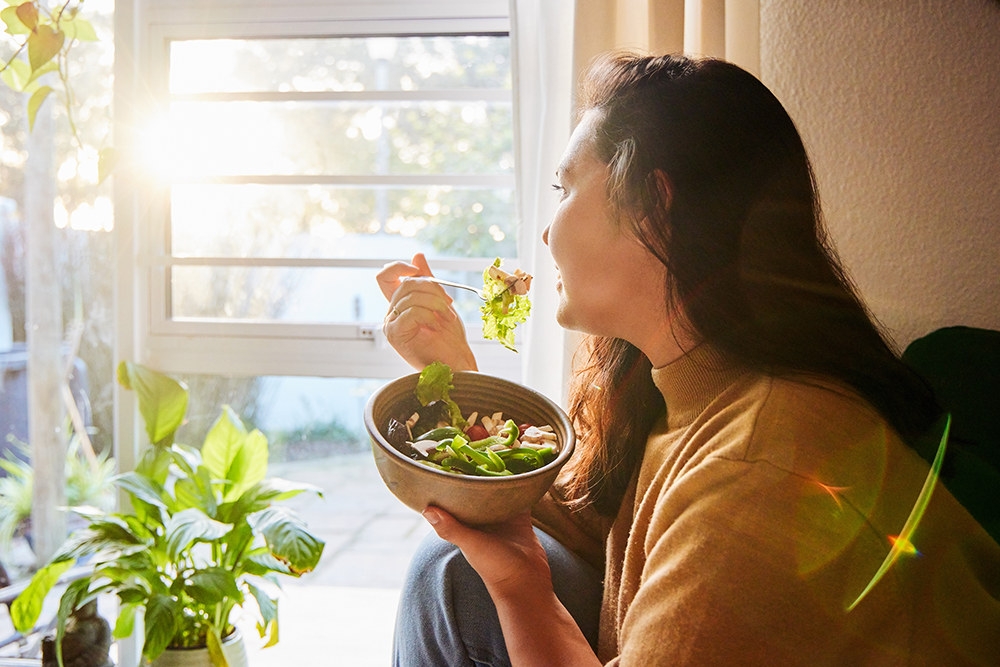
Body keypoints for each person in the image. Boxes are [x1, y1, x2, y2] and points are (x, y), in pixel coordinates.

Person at [376, 52, 1000, 666]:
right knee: (454, 575)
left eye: (564, 188)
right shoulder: (687, 387)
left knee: (458, 575)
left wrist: (519, 587)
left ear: (656, 205)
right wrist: (453, 375)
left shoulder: (757, 469)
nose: (546, 233)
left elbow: (535, 556)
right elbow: (574, 520)